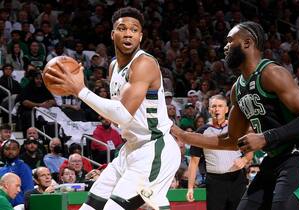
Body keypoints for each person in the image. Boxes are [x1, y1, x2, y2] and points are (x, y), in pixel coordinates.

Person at [171, 21, 299, 210]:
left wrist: (266, 137)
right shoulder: (237, 89)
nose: (225, 47)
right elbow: (233, 140)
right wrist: (184, 136)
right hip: (274, 158)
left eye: (229, 41)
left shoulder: (272, 73)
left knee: (284, 206)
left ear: (247, 43)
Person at [45, 7, 180, 210]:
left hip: (154, 149)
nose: (128, 33)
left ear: (140, 36)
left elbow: (123, 115)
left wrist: (80, 90)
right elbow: (117, 116)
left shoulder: (144, 63)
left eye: (134, 30)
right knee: (89, 207)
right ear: (112, 33)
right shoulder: (113, 66)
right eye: (122, 28)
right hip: (130, 149)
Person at [186, 95, 251, 210]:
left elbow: (249, 152)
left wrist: (244, 160)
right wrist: (190, 187)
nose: (217, 109)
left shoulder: (237, 128)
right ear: (209, 109)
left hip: (237, 180)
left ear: (226, 109)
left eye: (220, 106)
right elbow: (194, 162)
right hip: (214, 182)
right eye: (214, 106)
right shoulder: (202, 132)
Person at [0, 139, 34, 206]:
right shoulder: (2, 169)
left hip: (19, 206)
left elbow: (29, 191)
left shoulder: (23, 168)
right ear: (3, 151)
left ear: (18, 151)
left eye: (14, 149)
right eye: (7, 149)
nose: (10, 151)